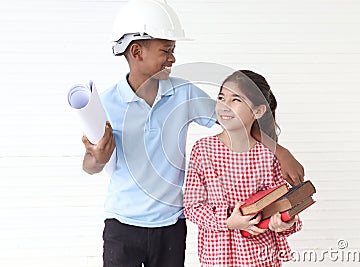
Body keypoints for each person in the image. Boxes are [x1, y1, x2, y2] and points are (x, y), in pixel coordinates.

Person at [81, 1, 304, 266]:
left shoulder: (183, 93)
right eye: (166, 50)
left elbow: (231, 121)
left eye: (173, 50)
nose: (173, 58)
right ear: (137, 51)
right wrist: (98, 156)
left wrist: (281, 151)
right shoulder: (106, 104)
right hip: (122, 225)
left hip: (172, 224)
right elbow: (90, 166)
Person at [183, 70, 302, 267]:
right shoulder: (203, 150)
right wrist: (228, 222)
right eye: (221, 97)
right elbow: (192, 207)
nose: (224, 105)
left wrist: (284, 222)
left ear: (258, 111)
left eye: (235, 99)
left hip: (260, 257)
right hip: (217, 258)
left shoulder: (267, 155)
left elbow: (284, 206)